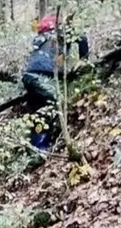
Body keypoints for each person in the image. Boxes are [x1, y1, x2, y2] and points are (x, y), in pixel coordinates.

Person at [22, 15, 90, 150]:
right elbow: (82, 38)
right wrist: (85, 59)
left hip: (29, 76)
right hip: (45, 76)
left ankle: (35, 148)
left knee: (37, 111)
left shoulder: (38, 39)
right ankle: (41, 149)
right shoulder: (61, 34)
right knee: (53, 105)